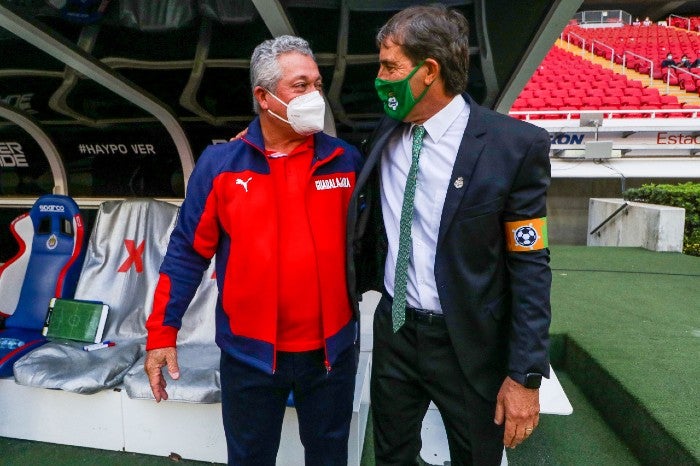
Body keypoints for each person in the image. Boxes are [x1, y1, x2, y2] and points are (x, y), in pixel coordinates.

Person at [143, 35, 363, 466]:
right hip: (249, 356)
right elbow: (186, 252)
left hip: (331, 355)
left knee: (330, 456)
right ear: (264, 97)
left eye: (317, 85)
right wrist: (161, 333)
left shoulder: (346, 160)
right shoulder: (221, 165)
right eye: (300, 86)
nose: (314, 96)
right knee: (248, 458)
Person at [350, 4, 552, 465]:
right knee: (392, 456)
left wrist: (524, 377)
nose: (379, 78)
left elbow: (531, 265)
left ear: (428, 71)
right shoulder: (384, 132)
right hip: (396, 330)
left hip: (470, 343)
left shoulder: (514, 147)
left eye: (389, 66)